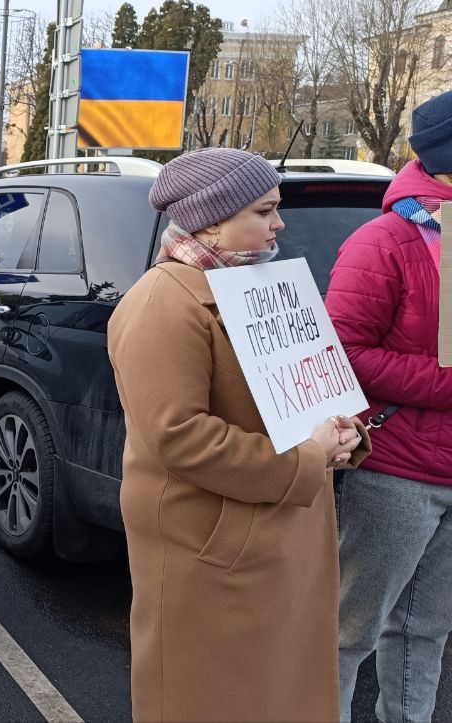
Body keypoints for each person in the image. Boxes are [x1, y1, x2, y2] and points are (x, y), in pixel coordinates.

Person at [107, 147, 370, 721]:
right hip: (214, 550)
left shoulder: (256, 286)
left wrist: (340, 427)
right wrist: (308, 459)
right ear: (210, 220)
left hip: (271, 538)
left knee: (280, 692)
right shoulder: (162, 303)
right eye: (264, 210)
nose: (280, 224)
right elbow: (178, 435)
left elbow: (298, 394)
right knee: (212, 699)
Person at [327, 89, 452, 722]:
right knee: (349, 631)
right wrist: (445, 381)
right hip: (396, 471)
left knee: (425, 632)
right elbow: (342, 353)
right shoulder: (386, 241)